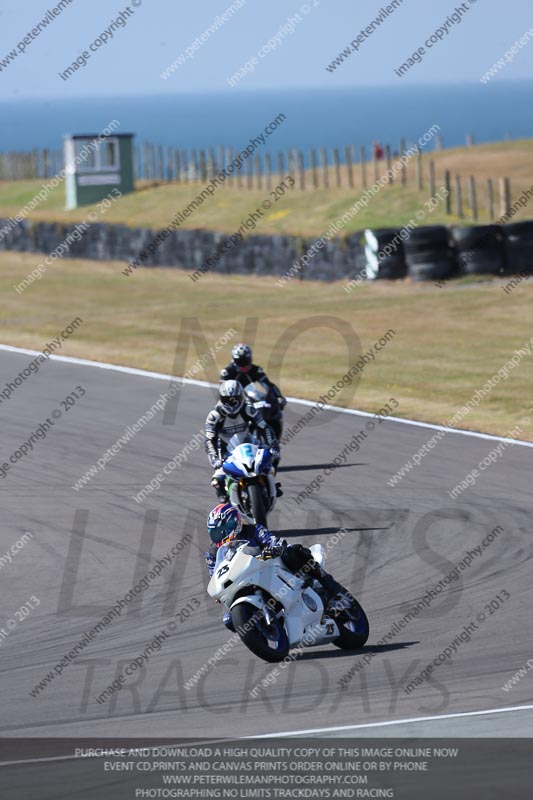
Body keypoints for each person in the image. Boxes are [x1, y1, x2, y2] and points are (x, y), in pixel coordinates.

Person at [205, 503, 354, 632]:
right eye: (217, 532)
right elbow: (215, 575)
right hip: (240, 581)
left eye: (225, 529)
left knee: (294, 551)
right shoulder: (212, 554)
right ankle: (264, 630)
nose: (222, 535)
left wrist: (275, 547)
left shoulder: (253, 530)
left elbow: (271, 540)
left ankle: (334, 591)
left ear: (235, 522)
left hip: (268, 565)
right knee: (230, 620)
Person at [205, 379, 279, 501]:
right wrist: (214, 459)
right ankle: (223, 494)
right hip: (225, 449)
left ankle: (269, 485)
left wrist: (272, 444)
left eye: (234, 399)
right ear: (221, 399)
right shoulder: (214, 416)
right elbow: (209, 439)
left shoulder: (248, 409)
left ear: (241, 397)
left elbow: (264, 427)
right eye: (227, 400)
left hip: (247, 443)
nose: (232, 404)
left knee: (271, 462)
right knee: (217, 480)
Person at [220, 343, 286, 409]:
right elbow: (222, 391)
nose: (244, 364)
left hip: (251, 399)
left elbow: (268, 384)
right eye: (240, 361)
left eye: (246, 360)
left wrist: (279, 397)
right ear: (234, 360)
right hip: (233, 401)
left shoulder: (256, 370)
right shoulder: (227, 372)